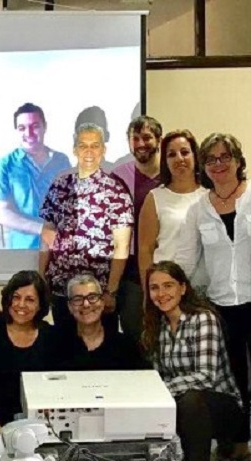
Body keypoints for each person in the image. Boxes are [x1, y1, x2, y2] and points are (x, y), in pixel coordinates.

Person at [174, 133, 251, 461]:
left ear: (237, 159)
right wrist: (167, 294)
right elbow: (187, 259)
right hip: (221, 309)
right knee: (232, 382)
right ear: (204, 167)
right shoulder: (198, 208)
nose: (218, 165)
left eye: (224, 157)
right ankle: (238, 447)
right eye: (211, 159)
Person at [142, 261, 243, 461]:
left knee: (190, 400)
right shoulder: (155, 326)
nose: (161, 293)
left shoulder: (203, 319)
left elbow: (206, 377)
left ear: (183, 288)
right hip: (182, 401)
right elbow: (159, 376)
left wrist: (162, 390)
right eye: (154, 288)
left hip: (222, 406)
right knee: (175, 402)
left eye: (168, 286)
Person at [39, 123, 133, 334]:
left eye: (95, 145)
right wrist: (41, 277)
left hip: (98, 292)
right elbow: (47, 233)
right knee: (65, 351)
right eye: (83, 145)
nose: (89, 151)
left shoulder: (116, 190)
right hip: (62, 290)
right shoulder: (60, 185)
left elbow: (122, 245)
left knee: (100, 353)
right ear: (74, 149)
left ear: (103, 150)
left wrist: (111, 291)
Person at [0, 270, 55, 435]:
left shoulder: (50, 336)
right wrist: (0, 432)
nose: (21, 304)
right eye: (16, 297)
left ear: (40, 305)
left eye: (29, 299)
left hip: (35, 428)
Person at [111, 116, 163, 348]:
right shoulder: (117, 177)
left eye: (147, 137)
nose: (141, 143)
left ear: (159, 140)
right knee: (138, 338)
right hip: (131, 274)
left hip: (170, 264)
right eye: (135, 138)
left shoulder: (173, 173)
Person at [0, 103, 71, 250]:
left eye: (35, 126)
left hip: (59, 249)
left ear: (45, 127)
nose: (29, 133)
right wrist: (43, 229)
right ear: (16, 131)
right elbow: (2, 213)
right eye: (22, 128)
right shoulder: (4, 165)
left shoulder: (62, 161)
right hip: (22, 250)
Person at [137, 129, 208, 291]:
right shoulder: (155, 198)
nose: (179, 159)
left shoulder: (210, 196)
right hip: (166, 291)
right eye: (171, 154)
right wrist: (148, 293)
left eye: (185, 152)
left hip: (204, 291)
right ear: (165, 161)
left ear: (195, 157)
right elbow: (145, 251)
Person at [58, 274, 146, 371]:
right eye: (78, 299)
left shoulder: (125, 345)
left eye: (92, 297)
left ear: (102, 303)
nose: (86, 304)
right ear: (70, 307)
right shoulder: (55, 345)